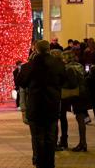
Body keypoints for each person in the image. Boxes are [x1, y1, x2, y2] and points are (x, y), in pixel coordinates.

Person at [17, 40, 65, 168]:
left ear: (36, 50)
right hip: (52, 105)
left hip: (35, 106)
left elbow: (21, 82)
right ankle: (50, 163)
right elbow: (65, 82)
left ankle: (40, 162)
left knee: (37, 137)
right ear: (49, 49)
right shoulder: (58, 64)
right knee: (50, 136)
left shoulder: (29, 66)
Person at [58, 50, 89, 152]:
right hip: (83, 93)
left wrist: (63, 86)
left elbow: (72, 84)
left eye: (63, 57)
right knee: (81, 119)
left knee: (80, 119)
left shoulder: (69, 68)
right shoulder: (79, 66)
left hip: (76, 95)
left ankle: (82, 143)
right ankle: (83, 143)